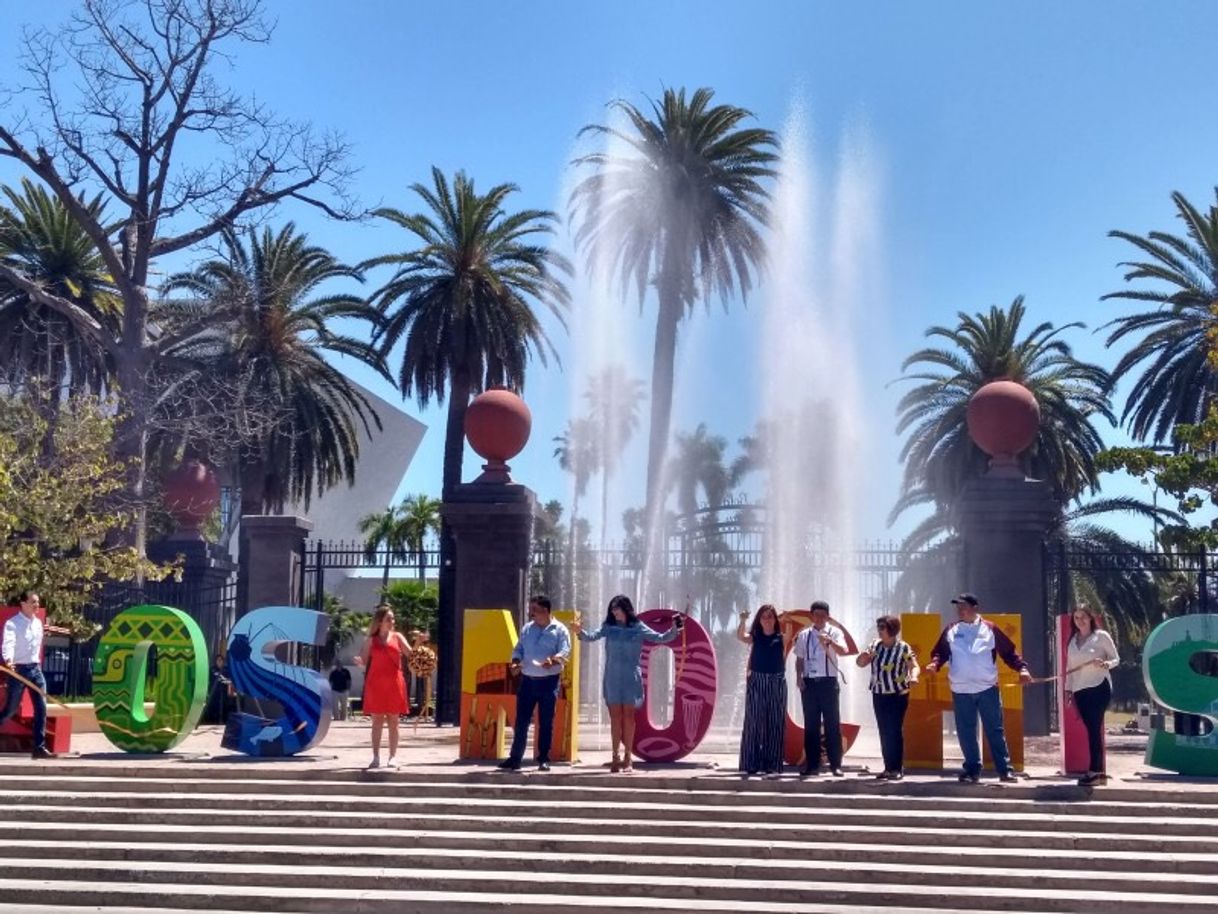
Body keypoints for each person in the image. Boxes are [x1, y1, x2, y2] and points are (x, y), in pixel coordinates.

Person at [924, 593, 1031, 784]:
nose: (960, 610)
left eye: (964, 606)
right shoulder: (951, 630)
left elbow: (1009, 652)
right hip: (961, 690)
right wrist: (934, 664)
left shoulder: (990, 628)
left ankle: (1004, 770)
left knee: (994, 730)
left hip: (987, 688)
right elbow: (940, 653)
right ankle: (972, 770)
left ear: (975, 608)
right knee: (966, 732)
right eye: (958, 607)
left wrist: (1022, 669)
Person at [573, 594, 682, 774]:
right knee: (615, 717)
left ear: (626, 609)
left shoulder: (638, 627)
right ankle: (615, 757)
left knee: (629, 718)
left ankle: (628, 757)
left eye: (617, 608)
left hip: (631, 677)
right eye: (612, 609)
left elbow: (661, 638)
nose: (614, 612)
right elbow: (591, 636)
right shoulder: (609, 627)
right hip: (613, 677)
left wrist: (675, 629)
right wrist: (579, 631)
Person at [498, 595, 571, 772]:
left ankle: (543, 759)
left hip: (549, 682)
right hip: (527, 681)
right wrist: (515, 661)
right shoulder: (527, 628)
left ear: (545, 611)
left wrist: (553, 660)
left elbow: (565, 651)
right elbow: (519, 648)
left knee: (546, 722)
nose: (531, 614)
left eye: (534, 610)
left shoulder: (560, 630)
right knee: (521, 721)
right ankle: (515, 758)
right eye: (531, 610)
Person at [856, 615, 920, 780]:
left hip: (897, 695)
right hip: (879, 694)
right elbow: (861, 663)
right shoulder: (875, 645)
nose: (879, 631)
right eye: (878, 627)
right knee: (884, 731)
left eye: (882, 627)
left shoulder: (903, 647)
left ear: (892, 629)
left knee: (894, 730)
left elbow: (914, 666)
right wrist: (863, 657)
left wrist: (914, 677)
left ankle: (897, 768)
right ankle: (887, 768)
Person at [1065, 604, 1119, 786]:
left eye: (1083, 617)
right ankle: (1099, 773)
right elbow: (1069, 668)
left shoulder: (1101, 636)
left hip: (1098, 686)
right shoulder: (1073, 640)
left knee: (1094, 729)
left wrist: (1105, 664)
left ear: (1090, 618)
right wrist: (1068, 690)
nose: (1080, 621)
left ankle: (1094, 771)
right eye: (1076, 617)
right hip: (1080, 690)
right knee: (1091, 729)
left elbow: (1116, 659)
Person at [793, 600, 848, 777]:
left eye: (823, 615)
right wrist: (799, 677)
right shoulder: (804, 635)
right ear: (812, 616)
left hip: (828, 683)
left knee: (832, 724)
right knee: (811, 725)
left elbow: (843, 651)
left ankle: (835, 765)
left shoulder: (835, 632)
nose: (819, 618)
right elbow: (799, 659)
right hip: (809, 684)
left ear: (828, 616)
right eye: (816, 615)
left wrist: (830, 642)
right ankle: (812, 764)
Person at [0, 591, 56, 759]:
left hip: (35, 669)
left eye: (38, 602)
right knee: (10, 710)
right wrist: (8, 660)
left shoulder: (38, 623)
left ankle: (39, 747)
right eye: (33, 602)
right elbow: (8, 643)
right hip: (18, 670)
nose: (36, 605)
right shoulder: (13, 623)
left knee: (41, 707)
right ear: (23, 604)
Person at [356, 604, 412, 769]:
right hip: (376, 684)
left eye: (393, 618)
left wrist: (419, 643)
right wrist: (359, 663)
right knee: (377, 722)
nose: (392, 621)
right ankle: (375, 757)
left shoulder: (398, 637)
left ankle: (393, 757)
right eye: (389, 618)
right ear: (380, 621)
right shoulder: (371, 641)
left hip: (395, 682)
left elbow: (411, 654)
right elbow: (364, 661)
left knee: (394, 721)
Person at [736, 603, 787, 779]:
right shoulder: (755, 636)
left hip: (777, 681)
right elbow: (741, 636)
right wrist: (742, 620)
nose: (767, 619)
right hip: (757, 680)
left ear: (775, 619)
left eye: (770, 616)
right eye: (764, 616)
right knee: (753, 722)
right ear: (759, 619)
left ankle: (772, 764)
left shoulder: (782, 637)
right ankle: (751, 763)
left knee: (774, 722)